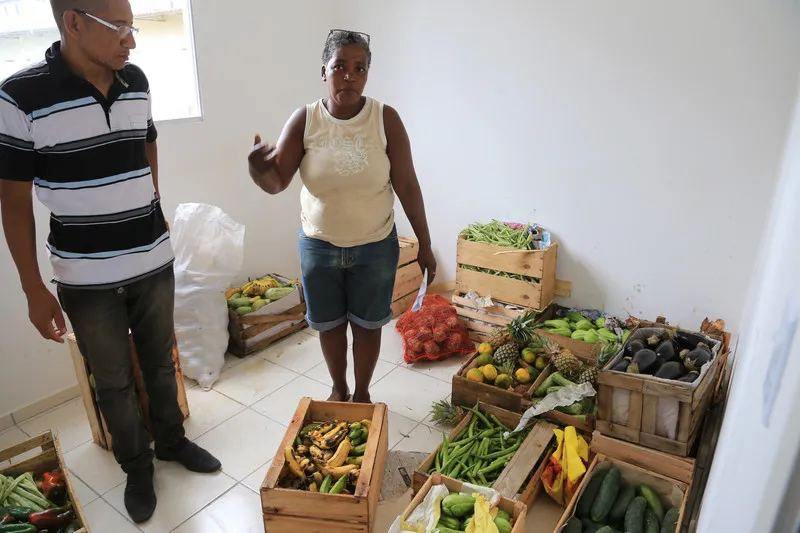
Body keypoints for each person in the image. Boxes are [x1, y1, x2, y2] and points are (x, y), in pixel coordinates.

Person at [0, 0, 220, 524]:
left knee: (161, 362)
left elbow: (147, 145)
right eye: (119, 27)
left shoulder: (135, 80)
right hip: (85, 277)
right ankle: (137, 467)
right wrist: (33, 288)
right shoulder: (19, 97)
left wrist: (153, 206)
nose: (132, 40)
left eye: (132, 27)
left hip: (152, 261)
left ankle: (171, 442)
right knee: (113, 380)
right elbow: (13, 199)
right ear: (74, 22)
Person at [248, 29, 437, 404]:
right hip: (319, 247)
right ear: (324, 71)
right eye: (339, 67)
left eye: (359, 68)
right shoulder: (305, 120)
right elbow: (277, 182)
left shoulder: (385, 119)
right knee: (329, 325)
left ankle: (362, 393)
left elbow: (407, 185)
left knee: (367, 325)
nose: (349, 76)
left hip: (375, 246)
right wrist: (257, 170)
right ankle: (339, 388)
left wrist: (425, 245)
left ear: (367, 74)